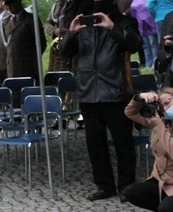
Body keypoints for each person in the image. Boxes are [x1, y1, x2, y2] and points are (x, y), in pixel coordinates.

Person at [61, 0, 143, 201]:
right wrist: (71, 33)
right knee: (95, 143)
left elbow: (135, 45)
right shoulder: (83, 23)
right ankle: (104, 185)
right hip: (88, 91)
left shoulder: (125, 22)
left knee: (123, 141)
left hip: (115, 90)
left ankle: (126, 186)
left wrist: (113, 28)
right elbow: (64, 52)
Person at [123, 89, 173, 212]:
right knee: (130, 192)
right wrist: (140, 98)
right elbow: (130, 112)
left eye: (168, 102)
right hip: (163, 181)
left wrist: (159, 127)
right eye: (162, 106)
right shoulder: (161, 122)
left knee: (166, 208)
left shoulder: (159, 125)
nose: (166, 108)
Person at [2, 0, 47, 82]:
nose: (8, 7)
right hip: (11, 68)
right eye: (7, 5)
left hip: (28, 68)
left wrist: (32, 59)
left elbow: (41, 43)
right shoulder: (7, 21)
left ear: (18, 3)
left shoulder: (31, 19)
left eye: (11, 4)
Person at [130, 0, 158, 67]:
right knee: (145, 45)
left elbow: (152, 7)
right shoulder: (135, 1)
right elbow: (133, 12)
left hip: (151, 24)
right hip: (141, 25)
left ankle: (155, 63)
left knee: (153, 44)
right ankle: (148, 64)